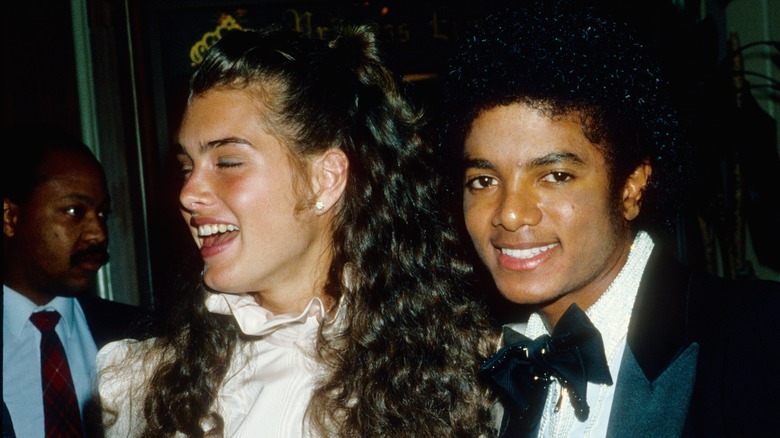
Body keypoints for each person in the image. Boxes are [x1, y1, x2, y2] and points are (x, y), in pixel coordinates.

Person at [97, 24, 495, 437]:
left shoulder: (462, 372)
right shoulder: (146, 384)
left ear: (324, 179)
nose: (189, 193)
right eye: (186, 166)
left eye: (228, 162)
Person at [440, 0, 780, 436]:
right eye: (484, 180)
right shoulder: (493, 366)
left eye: (555, 176)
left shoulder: (755, 339)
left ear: (631, 186)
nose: (509, 212)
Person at [3, 122, 144, 437]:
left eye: (103, 213)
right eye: (73, 211)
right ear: (11, 217)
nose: (99, 233)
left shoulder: (139, 336)